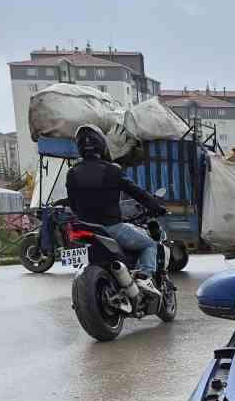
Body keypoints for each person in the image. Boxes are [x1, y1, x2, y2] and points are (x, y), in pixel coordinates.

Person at [65, 125, 168, 297]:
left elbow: (73, 204)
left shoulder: (72, 173)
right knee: (150, 245)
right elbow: (137, 192)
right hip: (111, 227)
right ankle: (144, 278)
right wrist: (156, 207)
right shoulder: (112, 170)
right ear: (101, 145)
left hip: (83, 229)